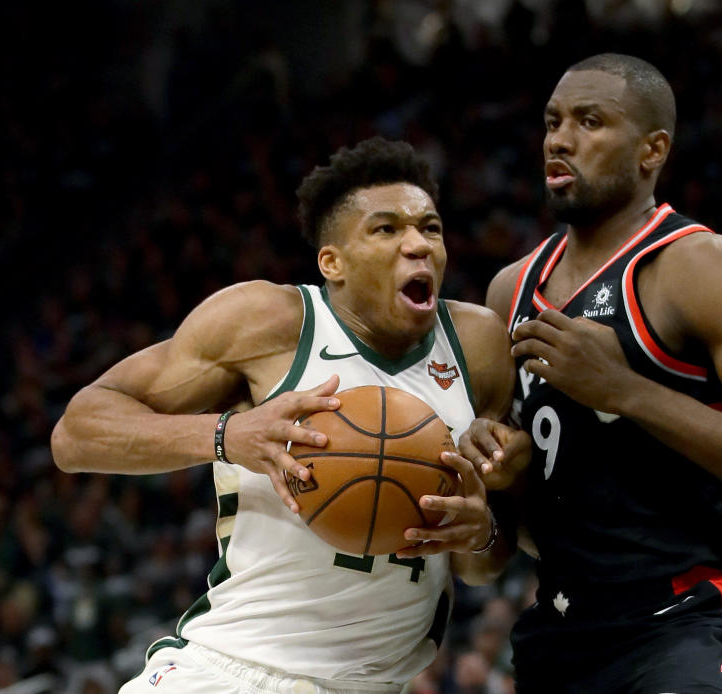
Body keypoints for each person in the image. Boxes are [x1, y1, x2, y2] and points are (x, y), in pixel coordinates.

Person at [50, 137, 514, 693]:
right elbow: (75, 433)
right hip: (234, 671)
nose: (418, 244)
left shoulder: (479, 346)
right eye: (386, 229)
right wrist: (227, 433)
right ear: (332, 261)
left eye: (431, 228)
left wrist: (482, 533)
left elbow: (483, 566)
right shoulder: (269, 323)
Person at [459, 53, 722, 693]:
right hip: (562, 634)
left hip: (688, 618)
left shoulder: (702, 269)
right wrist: (500, 485)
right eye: (553, 121)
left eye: (590, 121)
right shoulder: (510, 291)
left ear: (652, 150)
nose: (560, 139)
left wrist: (627, 392)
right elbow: (503, 551)